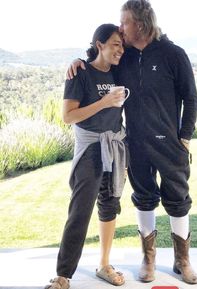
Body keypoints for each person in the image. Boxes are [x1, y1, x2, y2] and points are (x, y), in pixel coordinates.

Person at [67, 0, 197, 285]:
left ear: (140, 23)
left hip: (171, 144)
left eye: (124, 22)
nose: (120, 27)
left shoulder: (173, 54)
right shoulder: (123, 56)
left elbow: (191, 98)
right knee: (144, 199)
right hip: (135, 143)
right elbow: (98, 60)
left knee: (178, 201)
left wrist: (185, 137)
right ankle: (148, 259)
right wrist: (79, 60)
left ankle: (182, 261)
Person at [45, 24, 128, 289]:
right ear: (99, 44)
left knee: (110, 205)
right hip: (91, 149)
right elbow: (69, 117)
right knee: (80, 211)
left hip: (115, 147)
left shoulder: (119, 71)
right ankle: (63, 275)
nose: (120, 49)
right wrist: (105, 102)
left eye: (122, 45)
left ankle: (104, 264)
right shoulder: (79, 73)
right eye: (116, 43)